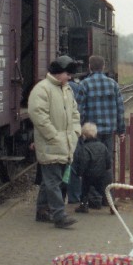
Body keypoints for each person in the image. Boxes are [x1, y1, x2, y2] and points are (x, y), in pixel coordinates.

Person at [27, 54, 81, 230]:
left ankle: (42, 212)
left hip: (64, 143)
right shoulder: (42, 89)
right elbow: (38, 116)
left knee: (50, 181)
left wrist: (75, 132)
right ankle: (59, 215)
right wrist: (53, 136)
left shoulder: (66, 89)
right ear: (59, 73)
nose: (70, 77)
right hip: (51, 144)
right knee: (53, 182)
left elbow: (74, 113)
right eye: (68, 74)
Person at [72, 55, 126, 189]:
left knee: (89, 162)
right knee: (107, 162)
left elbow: (80, 110)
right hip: (108, 131)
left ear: (89, 67)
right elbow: (120, 109)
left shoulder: (84, 84)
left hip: (91, 133)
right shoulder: (113, 84)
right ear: (103, 67)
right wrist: (121, 131)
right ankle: (106, 195)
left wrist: (79, 129)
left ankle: (92, 196)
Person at [71, 122, 112, 213]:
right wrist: (107, 168)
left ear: (84, 136)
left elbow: (83, 162)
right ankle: (112, 206)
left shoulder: (84, 148)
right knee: (104, 191)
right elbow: (108, 160)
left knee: (84, 190)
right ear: (96, 134)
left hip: (89, 175)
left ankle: (83, 205)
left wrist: (79, 173)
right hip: (102, 174)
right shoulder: (102, 146)